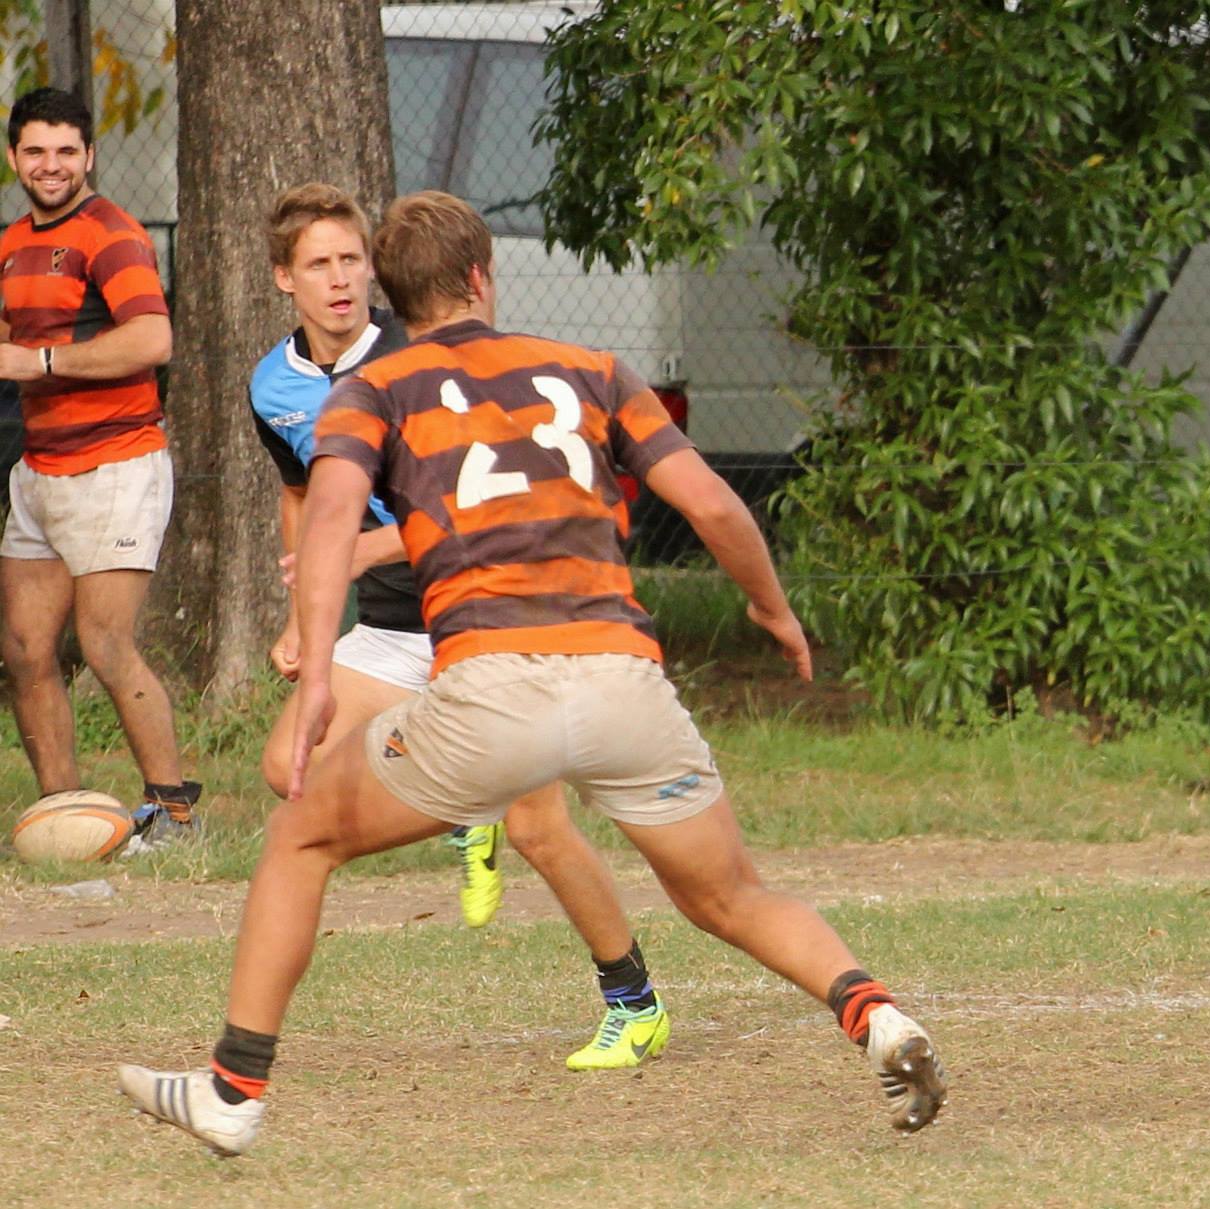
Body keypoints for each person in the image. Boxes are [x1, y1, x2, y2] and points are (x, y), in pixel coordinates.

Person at [118, 191, 946, 1155]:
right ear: (482, 278)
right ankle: (875, 1010)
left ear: (393, 293)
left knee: (300, 833)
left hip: (489, 689)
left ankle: (232, 1088)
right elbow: (716, 506)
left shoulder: (372, 389)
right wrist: (770, 606)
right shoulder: (592, 369)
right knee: (731, 896)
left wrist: (314, 678)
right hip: (625, 684)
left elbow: (333, 519)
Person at [249, 182, 675, 1070]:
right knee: (286, 762)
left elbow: (495, 502)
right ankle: (460, 800)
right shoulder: (273, 384)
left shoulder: (420, 353)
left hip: (480, 618)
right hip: (395, 630)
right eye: (319, 264)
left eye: (353, 260)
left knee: (540, 829)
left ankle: (632, 1000)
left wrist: (368, 551)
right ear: (283, 278)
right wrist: (307, 622)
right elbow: (303, 500)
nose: (341, 280)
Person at [0, 87, 198, 850]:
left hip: (115, 464)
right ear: (14, 156)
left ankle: (174, 813)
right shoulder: (13, 239)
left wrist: (40, 359)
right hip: (39, 470)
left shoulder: (110, 234)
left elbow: (152, 338)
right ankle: (64, 818)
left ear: (89, 156)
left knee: (106, 642)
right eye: (36, 151)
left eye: (66, 151)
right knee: (23, 649)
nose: (51, 165)